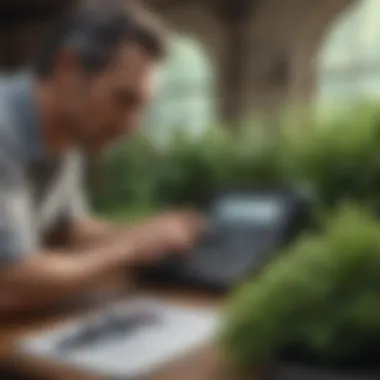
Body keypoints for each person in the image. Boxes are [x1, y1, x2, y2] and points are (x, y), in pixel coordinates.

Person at [0, 0, 205, 315]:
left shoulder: (68, 132)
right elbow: (10, 282)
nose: (132, 126)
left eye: (141, 108)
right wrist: (129, 248)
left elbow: (66, 230)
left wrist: (151, 235)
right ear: (69, 69)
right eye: (124, 99)